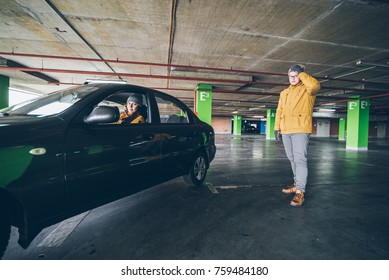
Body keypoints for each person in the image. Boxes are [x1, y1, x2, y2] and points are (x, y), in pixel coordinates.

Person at [274, 64, 321, 206]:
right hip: (286, 129)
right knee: (292, 158)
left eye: (296, 75)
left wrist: (301, 74)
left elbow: (314, 86)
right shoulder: (284, 93)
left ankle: (300, 191)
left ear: (300, 75)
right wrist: (277, 128)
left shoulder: (307, 90)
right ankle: (296, 184)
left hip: (300, 128)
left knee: (300, 159)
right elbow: (279, 110)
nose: (293, 78)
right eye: (291, 75)